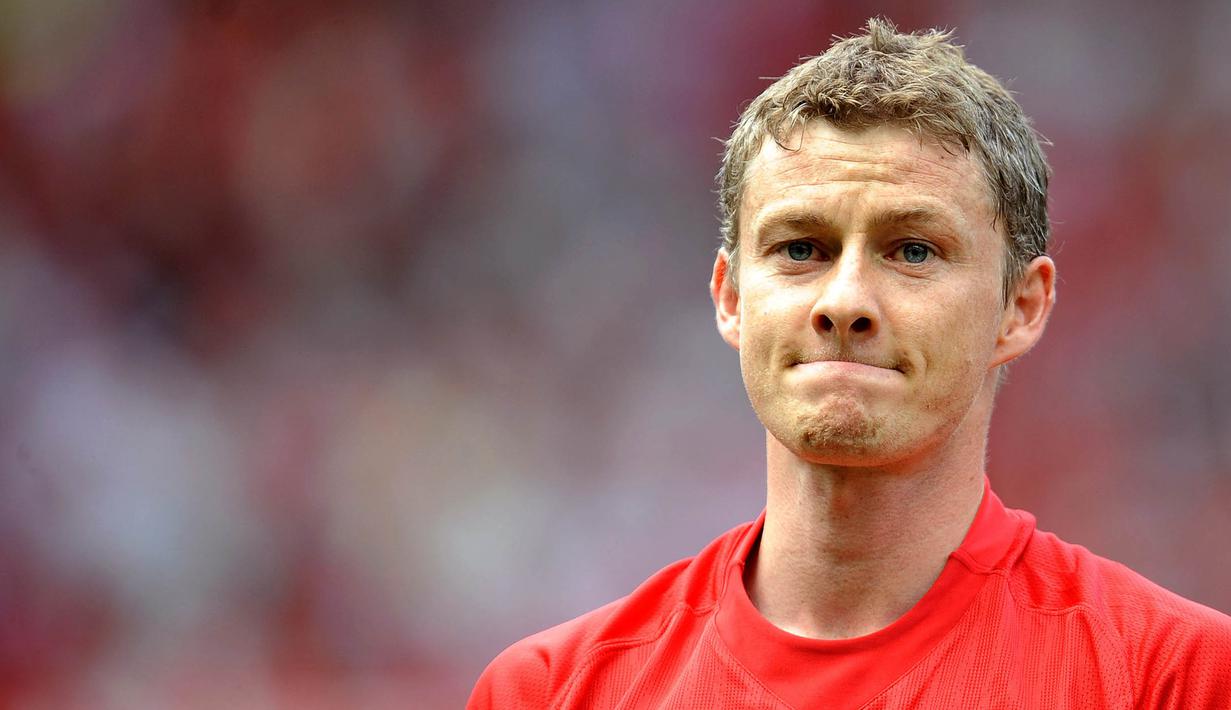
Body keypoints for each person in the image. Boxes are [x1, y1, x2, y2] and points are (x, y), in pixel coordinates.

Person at [468, 18, 1231, 709]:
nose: (845, 301)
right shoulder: (553, 690)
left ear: (1020, 308)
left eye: (912, 250)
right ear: (730, 298)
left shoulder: (1172, 678)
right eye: (800, 248)